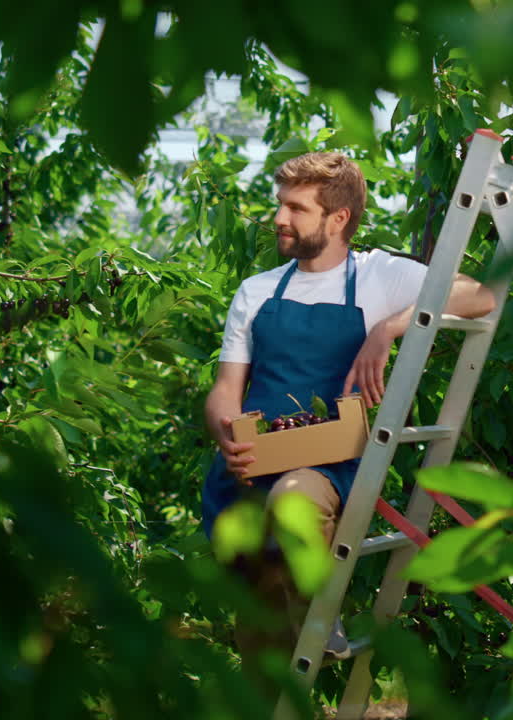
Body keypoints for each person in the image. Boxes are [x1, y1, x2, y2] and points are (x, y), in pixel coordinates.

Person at [200, 151, 495, 660]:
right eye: (280, 205)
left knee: (295, 503)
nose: (279, 219)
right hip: (252, 465)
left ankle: (320, 613)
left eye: (296, 208)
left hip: (325, 462)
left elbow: (479, 296)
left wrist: (392, 326)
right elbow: (227, 387)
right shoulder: (256, 291)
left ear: (339, 219)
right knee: (259, 640)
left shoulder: (378, 277)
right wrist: (225, 430)